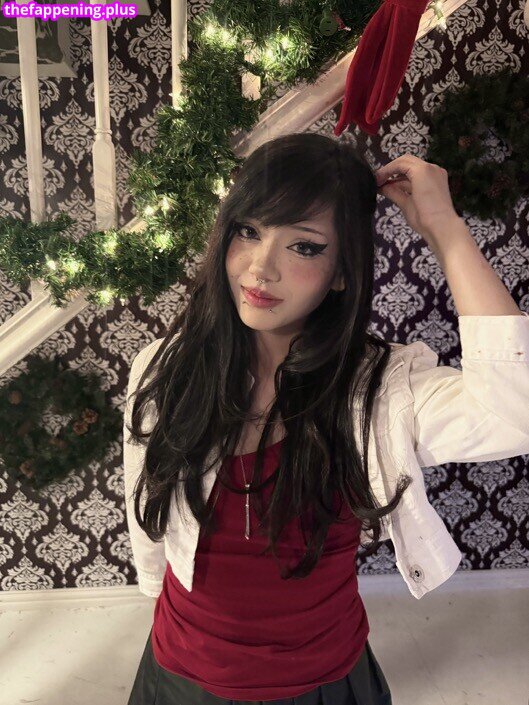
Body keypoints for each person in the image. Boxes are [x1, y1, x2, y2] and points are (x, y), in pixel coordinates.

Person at [124, 132, 529, 705]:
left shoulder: (380, 393)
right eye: (249, 231)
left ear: (342, 270)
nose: (260, 268)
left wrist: (444, 227)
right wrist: (152, 588)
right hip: (181, 670)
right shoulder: (165, 368)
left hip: (322, 679)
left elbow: (515, 412)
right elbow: (147, 506)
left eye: (304, 246)